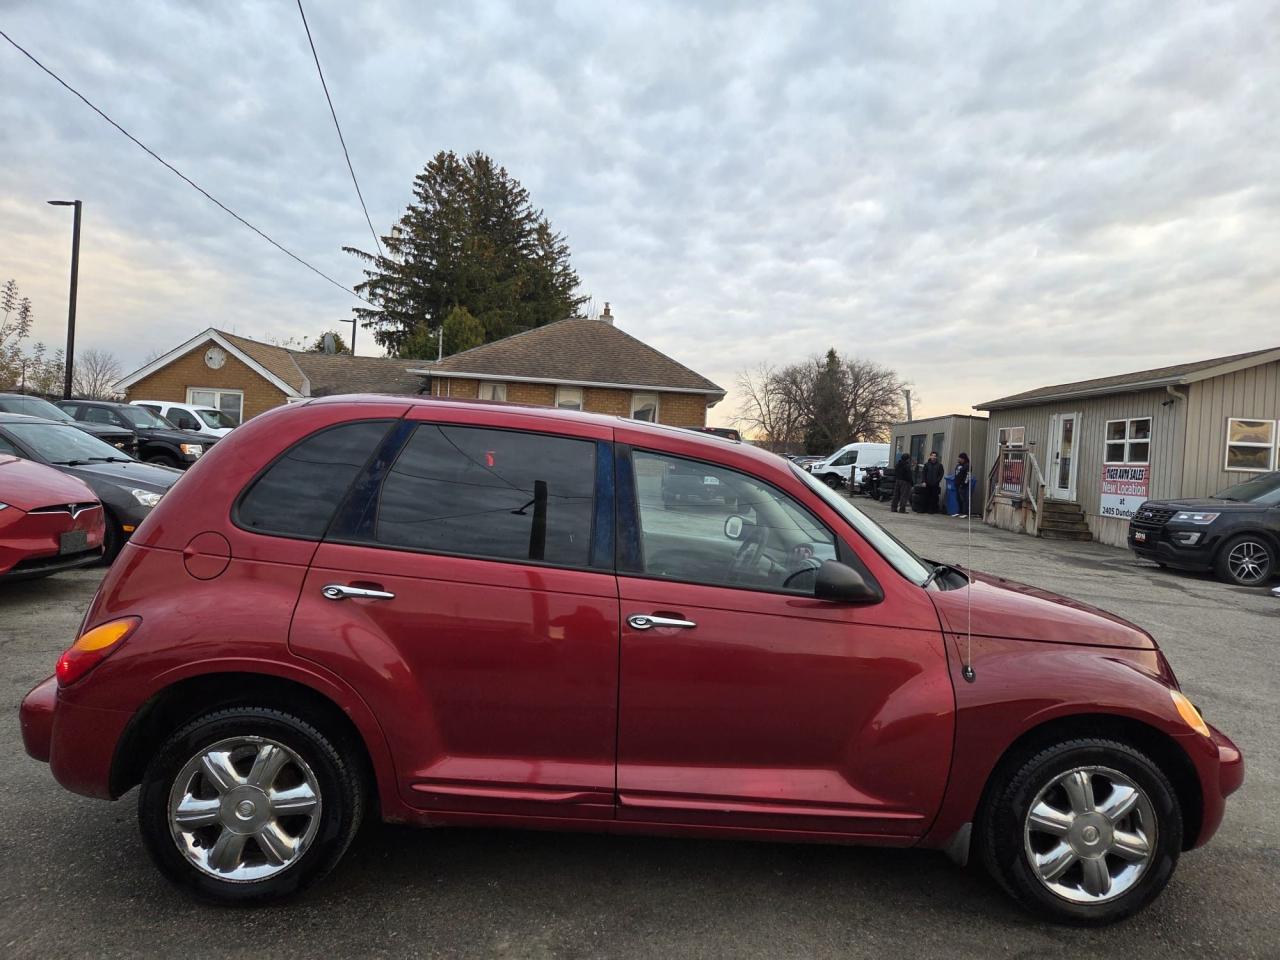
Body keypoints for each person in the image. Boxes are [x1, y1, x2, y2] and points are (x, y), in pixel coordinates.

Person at [953, 452, 971, 518]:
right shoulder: (958, 465)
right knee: (958, 499)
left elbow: (968, 476)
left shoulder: (967, 465)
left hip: (963, 486)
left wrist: (964, 484)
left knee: (964, 499)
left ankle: (965, 513)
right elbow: (956, 474)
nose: (958, 459)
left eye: (959, 458)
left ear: (963, 459)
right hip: (957, 484)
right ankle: (959, 512)